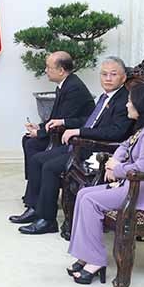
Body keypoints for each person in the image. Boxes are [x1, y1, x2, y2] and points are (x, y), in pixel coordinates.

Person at [66, 83, 144, 284]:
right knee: (84, 194)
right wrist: (114, 163)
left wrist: (116, 169)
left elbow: (143, 168)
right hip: (135, 185)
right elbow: (124, 145)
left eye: (130, 101)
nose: (127, 105)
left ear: (142, 105)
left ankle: (95, 261)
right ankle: (86, 255)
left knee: (90, 200)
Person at [11, 57, 134, 234]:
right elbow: (91, 122)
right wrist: (77, 130)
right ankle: (35, 209)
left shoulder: (123, 101)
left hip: (98, 152)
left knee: (50, 166)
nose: (108, 78)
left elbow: (116, 133)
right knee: (38, 159)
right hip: (83, 145)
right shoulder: (105, 97)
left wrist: (79, 132)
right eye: (104, 74)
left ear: (123, 78)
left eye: (113, 74)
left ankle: (47, 220)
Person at [20, 51, 95, 201]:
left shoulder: (74, 88)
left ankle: (35, 194)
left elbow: (64, 120)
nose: (46, 70)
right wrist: (39, 127)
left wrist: (40, 133)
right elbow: (56, 117)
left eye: (48, 67)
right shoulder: (64, 84)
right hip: (63, 129)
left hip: (73, 135)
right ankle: (35, 188)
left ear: (61, 70)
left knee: (33, 143)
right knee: (28, 140)